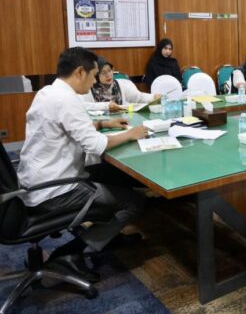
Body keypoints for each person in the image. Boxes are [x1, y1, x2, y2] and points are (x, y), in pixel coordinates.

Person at [18, 47, 149, 282]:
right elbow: (96, 145)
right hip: (56, 191)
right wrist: (131, 134)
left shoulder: (48, 92)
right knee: (134, 202)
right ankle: (70, 253)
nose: (94, 82)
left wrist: (102, 124)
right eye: (94, 75)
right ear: (80, 72)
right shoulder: (67, 99)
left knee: (114, 175)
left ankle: (108, 235)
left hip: (33, 183)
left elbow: (69, 127)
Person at [82, 57, 160, 112]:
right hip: (100, 124)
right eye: (103, 73)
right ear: (96, 75)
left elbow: (138, 97)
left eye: (109, 70)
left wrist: (153, 97)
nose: (108, 75)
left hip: (121, 122)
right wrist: (106, 106)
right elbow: (82, 106)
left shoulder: (120, 84)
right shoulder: (89, 88)